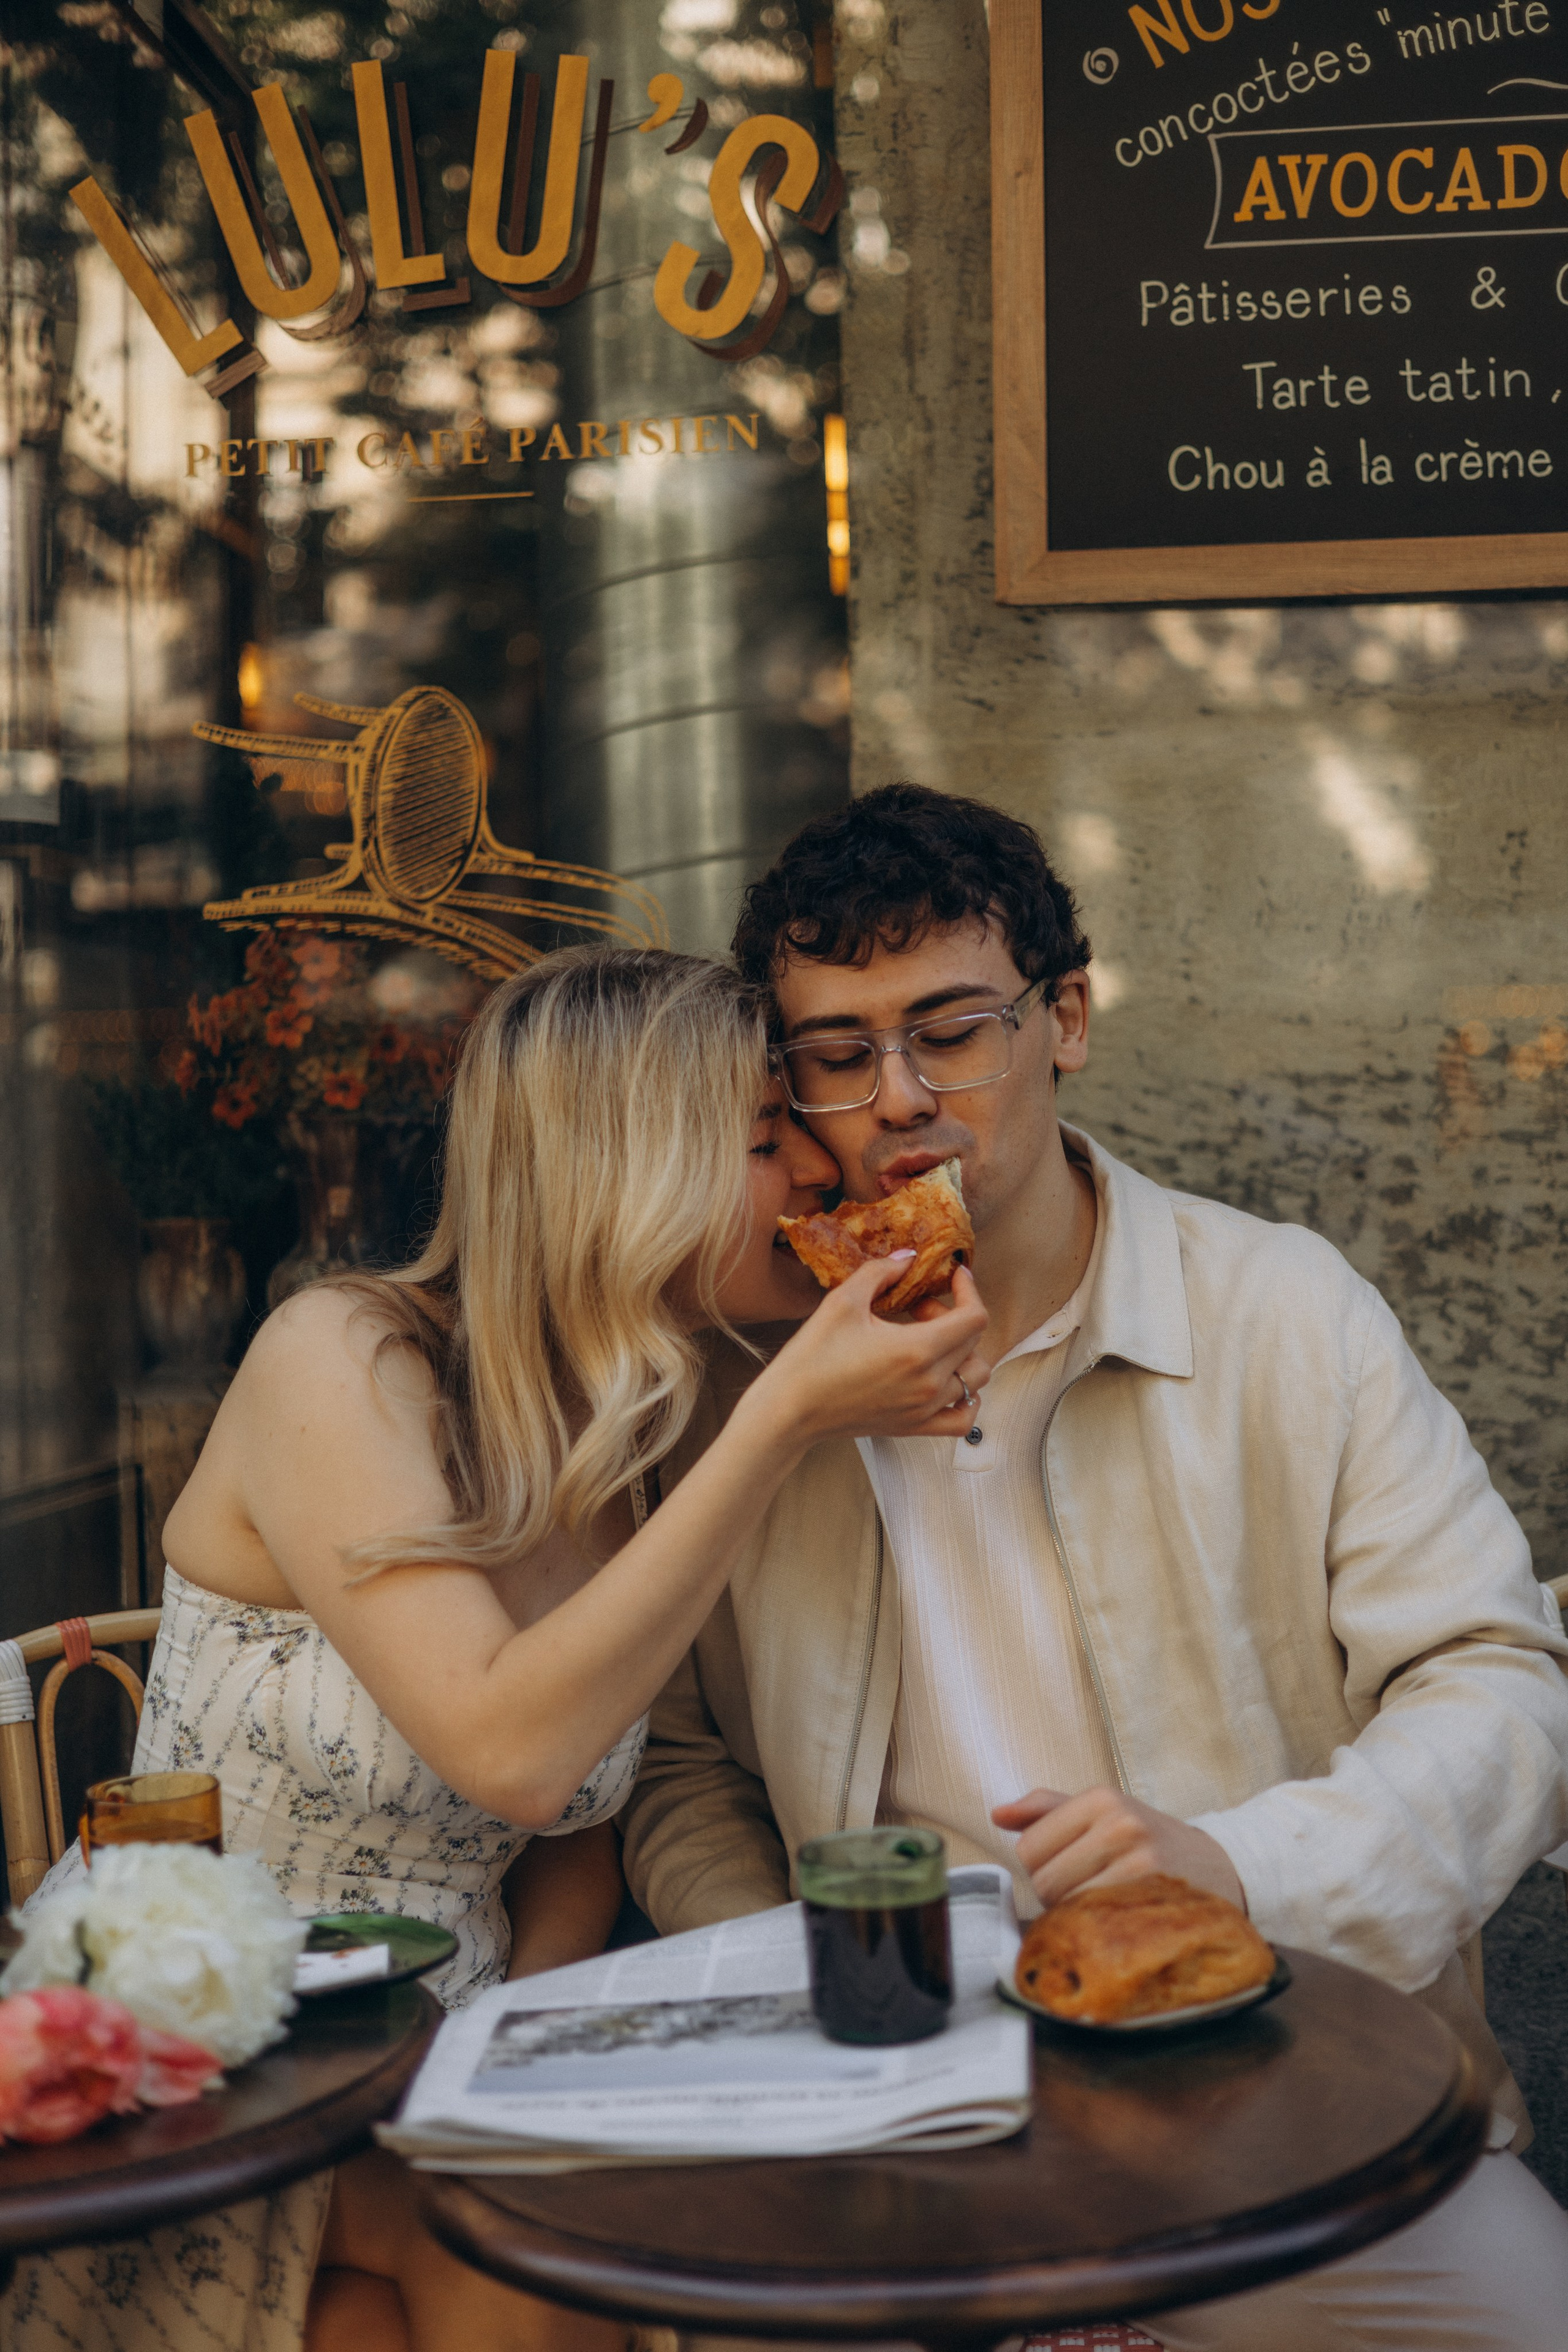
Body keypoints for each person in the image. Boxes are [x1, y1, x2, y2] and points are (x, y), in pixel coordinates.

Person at [620, 786, 1568, 2352]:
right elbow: (677, 1760)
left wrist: (1244, 1871)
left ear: (1064, 1017)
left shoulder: (1284, 1311)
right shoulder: (740, 1386)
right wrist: (800, 1985)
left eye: (952, 1030)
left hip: (1291, 2090)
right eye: (841, 1055)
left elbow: (1499, 1687)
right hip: (892, 2120)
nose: (902, 1098)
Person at [2, 945, 989, 2352]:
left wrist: (512, 2070)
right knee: (534, 2257)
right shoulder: (341, 1359)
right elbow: (516, 1755)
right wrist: (786, 1425)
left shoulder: (639, 1435)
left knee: (475, 2277)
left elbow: (577, 1826)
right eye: (771, 1144)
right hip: (222, 2087)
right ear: (628, 1168)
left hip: (442, 2081)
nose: (825, 1180)